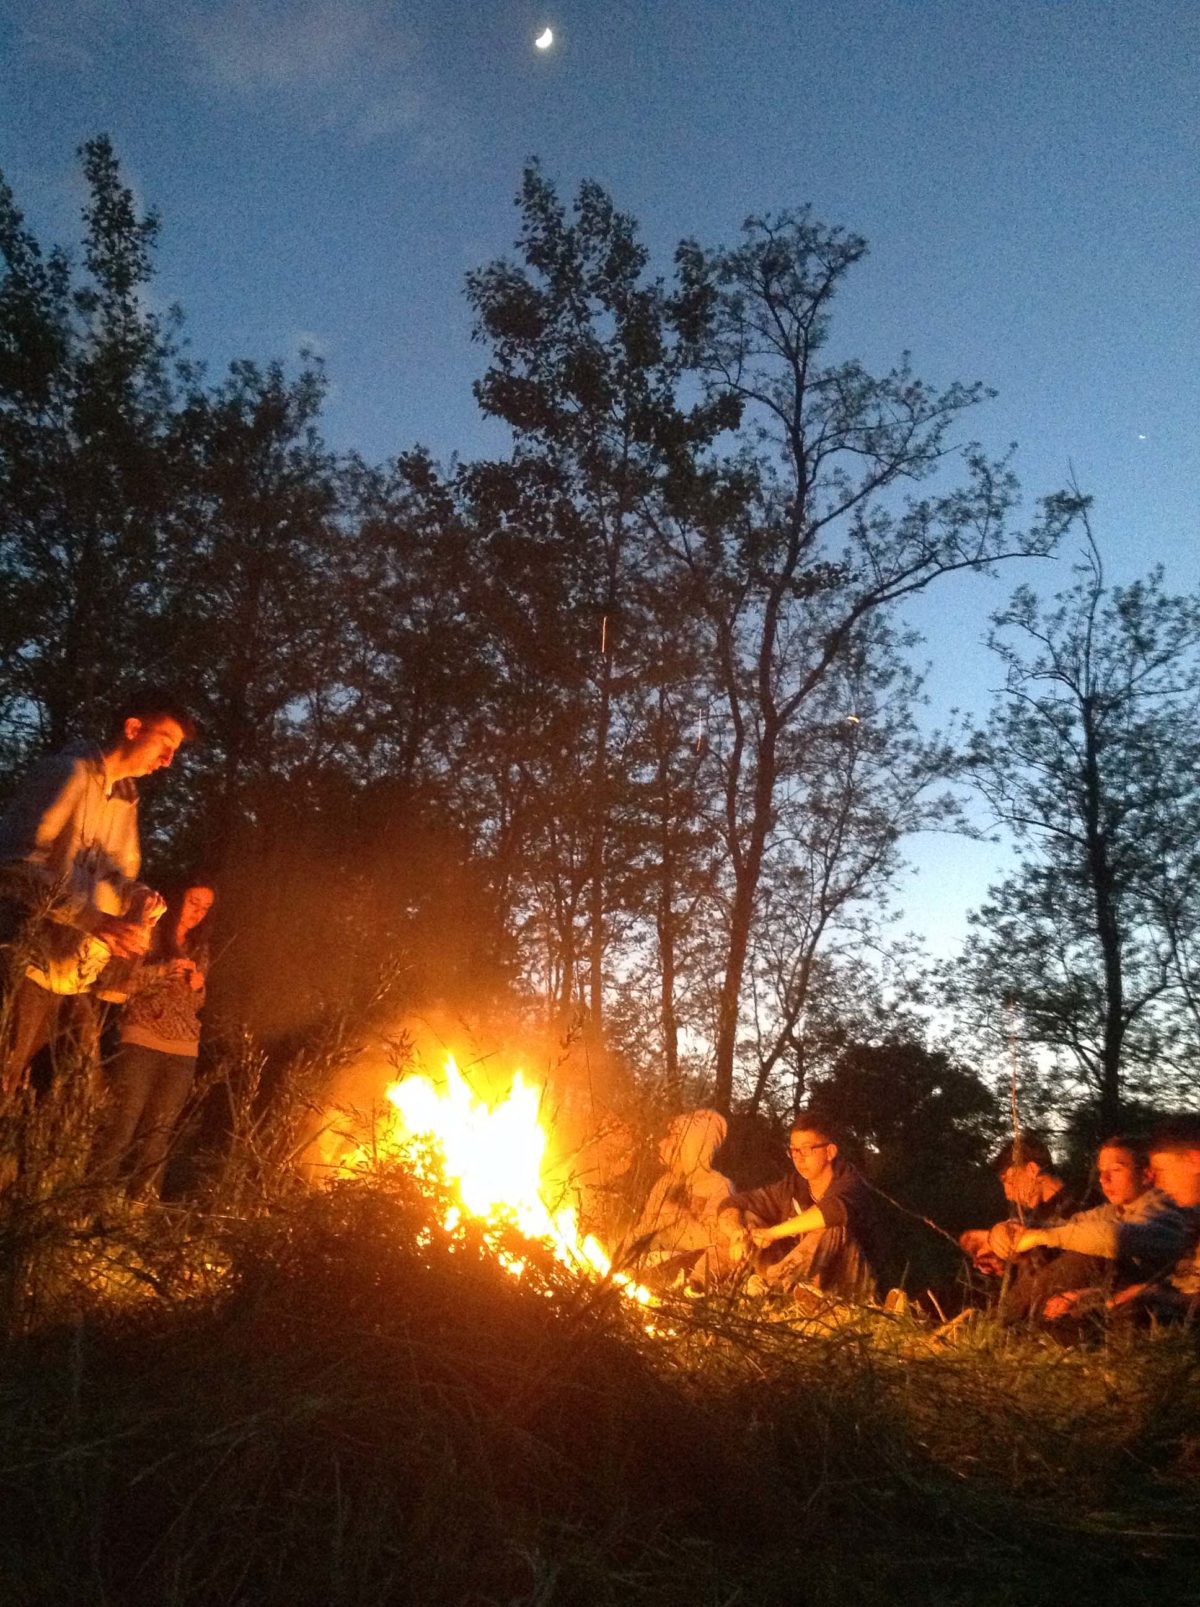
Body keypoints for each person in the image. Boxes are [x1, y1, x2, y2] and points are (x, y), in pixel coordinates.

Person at [0, 691, 194, 1095]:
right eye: (165, 744)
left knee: (77, 1095)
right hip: (27, 962)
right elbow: (14, 867)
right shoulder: (65, 773)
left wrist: (139, 898)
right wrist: (97, 921)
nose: (167, 761)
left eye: (174, 751)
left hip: (75, 973)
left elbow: (121, 876)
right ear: (133, 728)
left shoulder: (126, 799)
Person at [91, 881, 215, 1200]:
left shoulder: (200, 947)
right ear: (178, 898)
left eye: (205, 908)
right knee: (122, 1125)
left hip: (183, 1049)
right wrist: (163, 971)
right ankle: (91, 1199)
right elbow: (120, 985)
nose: (198, 912)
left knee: (158, 1134)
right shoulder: (150, 933)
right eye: (193, 902)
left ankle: (139, 1209)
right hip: (142, 1039)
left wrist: (199, 987)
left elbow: (197, 1004)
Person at [1012, 1136, 1194, 1324]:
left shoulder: (1163, 1206)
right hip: (1129, 1297)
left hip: (1164, 1306)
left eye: (1116, 1170)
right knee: (1045, 1248)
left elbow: (1115, 1237)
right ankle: (1020, 1318)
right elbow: (1067, 1225)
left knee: (1087, 1257)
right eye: (1101, 1172)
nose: (1104, 1179)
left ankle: (1012, 1318)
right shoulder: (1116, 1209)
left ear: (1147, 1175)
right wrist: (1011, 1231)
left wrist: (1042, 1236)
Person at [718, 1114, 884, 1303]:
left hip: (850, 1282)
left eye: (805, 1149)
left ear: (829, 1152)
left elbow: (833, 1211)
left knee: (833, 1229)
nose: (798, 1158)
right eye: (793, 1150)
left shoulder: (850, 1182)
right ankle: (702, 1283)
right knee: (747, 1218)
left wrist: (772, 1233)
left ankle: (771, 1288)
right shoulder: (792, 1187)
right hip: (803, 1280)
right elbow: (735, 1202)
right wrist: (736, 1232)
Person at [623, 1109, 732, 1288]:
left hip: (688, 1262)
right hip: (656, 1256)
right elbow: (646, 1226)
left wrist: (676, 1218)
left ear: (693, 1145)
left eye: (673, 1137)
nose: (661, 1143)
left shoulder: (719, 1186)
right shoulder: (665, 1182)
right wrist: (629, 1242)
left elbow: (718, 1242)